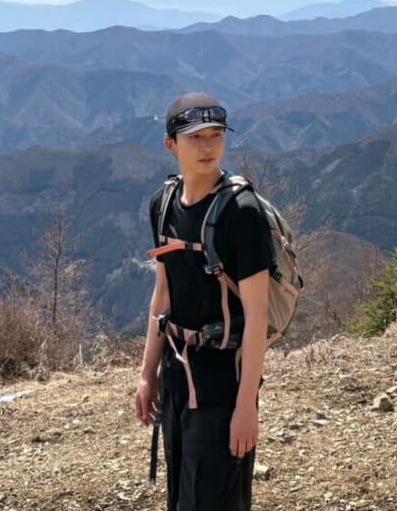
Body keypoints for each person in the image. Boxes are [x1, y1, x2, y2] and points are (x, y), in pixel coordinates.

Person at [135, 92, 272, 511]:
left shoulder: (241, 213)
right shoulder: (163, 207)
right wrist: (147, 374)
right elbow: (163, 294)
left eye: (216, 135)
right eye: (195, 137)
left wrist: (246, 405)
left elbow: (256, 316)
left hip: (223, 387)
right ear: (170, 145)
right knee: (182, 499)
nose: (208, 146)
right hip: (177, 380)